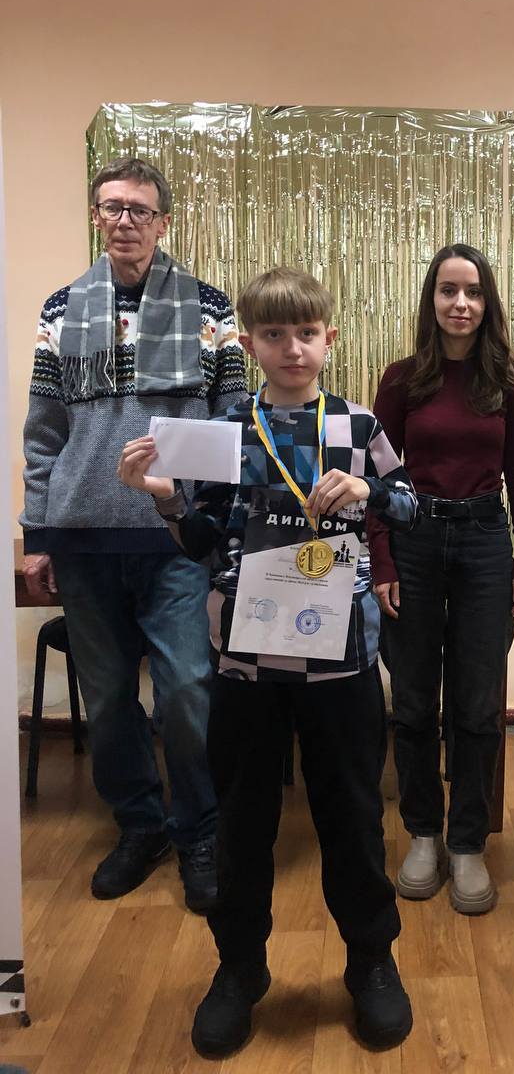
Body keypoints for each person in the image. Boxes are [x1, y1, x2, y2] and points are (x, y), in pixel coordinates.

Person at [118, 267, 417, 1058]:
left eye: (306, 333)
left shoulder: (356, 423)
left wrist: (371, 492)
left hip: (341, 660)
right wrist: (163, 497)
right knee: (244, 821)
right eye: (275, 335)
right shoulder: (227, 429)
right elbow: (202, 541)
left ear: (329, 338)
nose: (293, 348)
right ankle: (239, 968)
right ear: (249, 344)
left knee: (353, 815)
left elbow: (412, 504)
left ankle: (371, 959)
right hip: (247, 661)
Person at [21, 157, 246, 912]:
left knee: (185, 690)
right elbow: (44, 431)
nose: (125, 221)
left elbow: (232, 419)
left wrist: (211, 517)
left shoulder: (210, 308)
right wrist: (37, 534)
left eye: (139, 210)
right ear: (96, 216)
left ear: (163, 223)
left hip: (173, 536)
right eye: (112, 207)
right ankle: (140, 826)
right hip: (83, 536)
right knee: (110, 696)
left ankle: (199, 830)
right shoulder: (60, 309)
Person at [370, 243, 514, 914]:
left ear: (487, 301)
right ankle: (423, 835)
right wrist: (382, 561)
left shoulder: (508, 380)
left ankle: (467, 844)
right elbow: (378, 478)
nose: (461, 303)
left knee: (476, 705)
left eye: (472, 291)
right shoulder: (401, 380)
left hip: (484, 544)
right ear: (431, 300)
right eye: (448, 290)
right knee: (413, 702)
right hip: (413, 541)